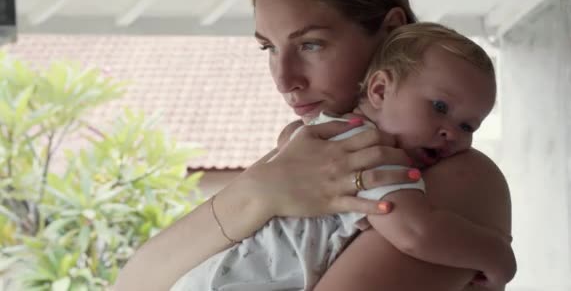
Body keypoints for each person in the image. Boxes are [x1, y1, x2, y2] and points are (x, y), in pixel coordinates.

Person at [114, 0, 514, 290]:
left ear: (390, 29)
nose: (284, 80)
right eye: (268, 47)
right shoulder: (307, 154)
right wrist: (261, 190)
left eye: (311, 44)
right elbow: (131, 283)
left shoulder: (463, 177)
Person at [169, 23, 516, 291]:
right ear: (379, 89)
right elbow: (415, 232)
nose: (451, 132)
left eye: (469, 125)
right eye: (440, 107)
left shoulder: (331, 132)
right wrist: (497, 256)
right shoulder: (364, 149)